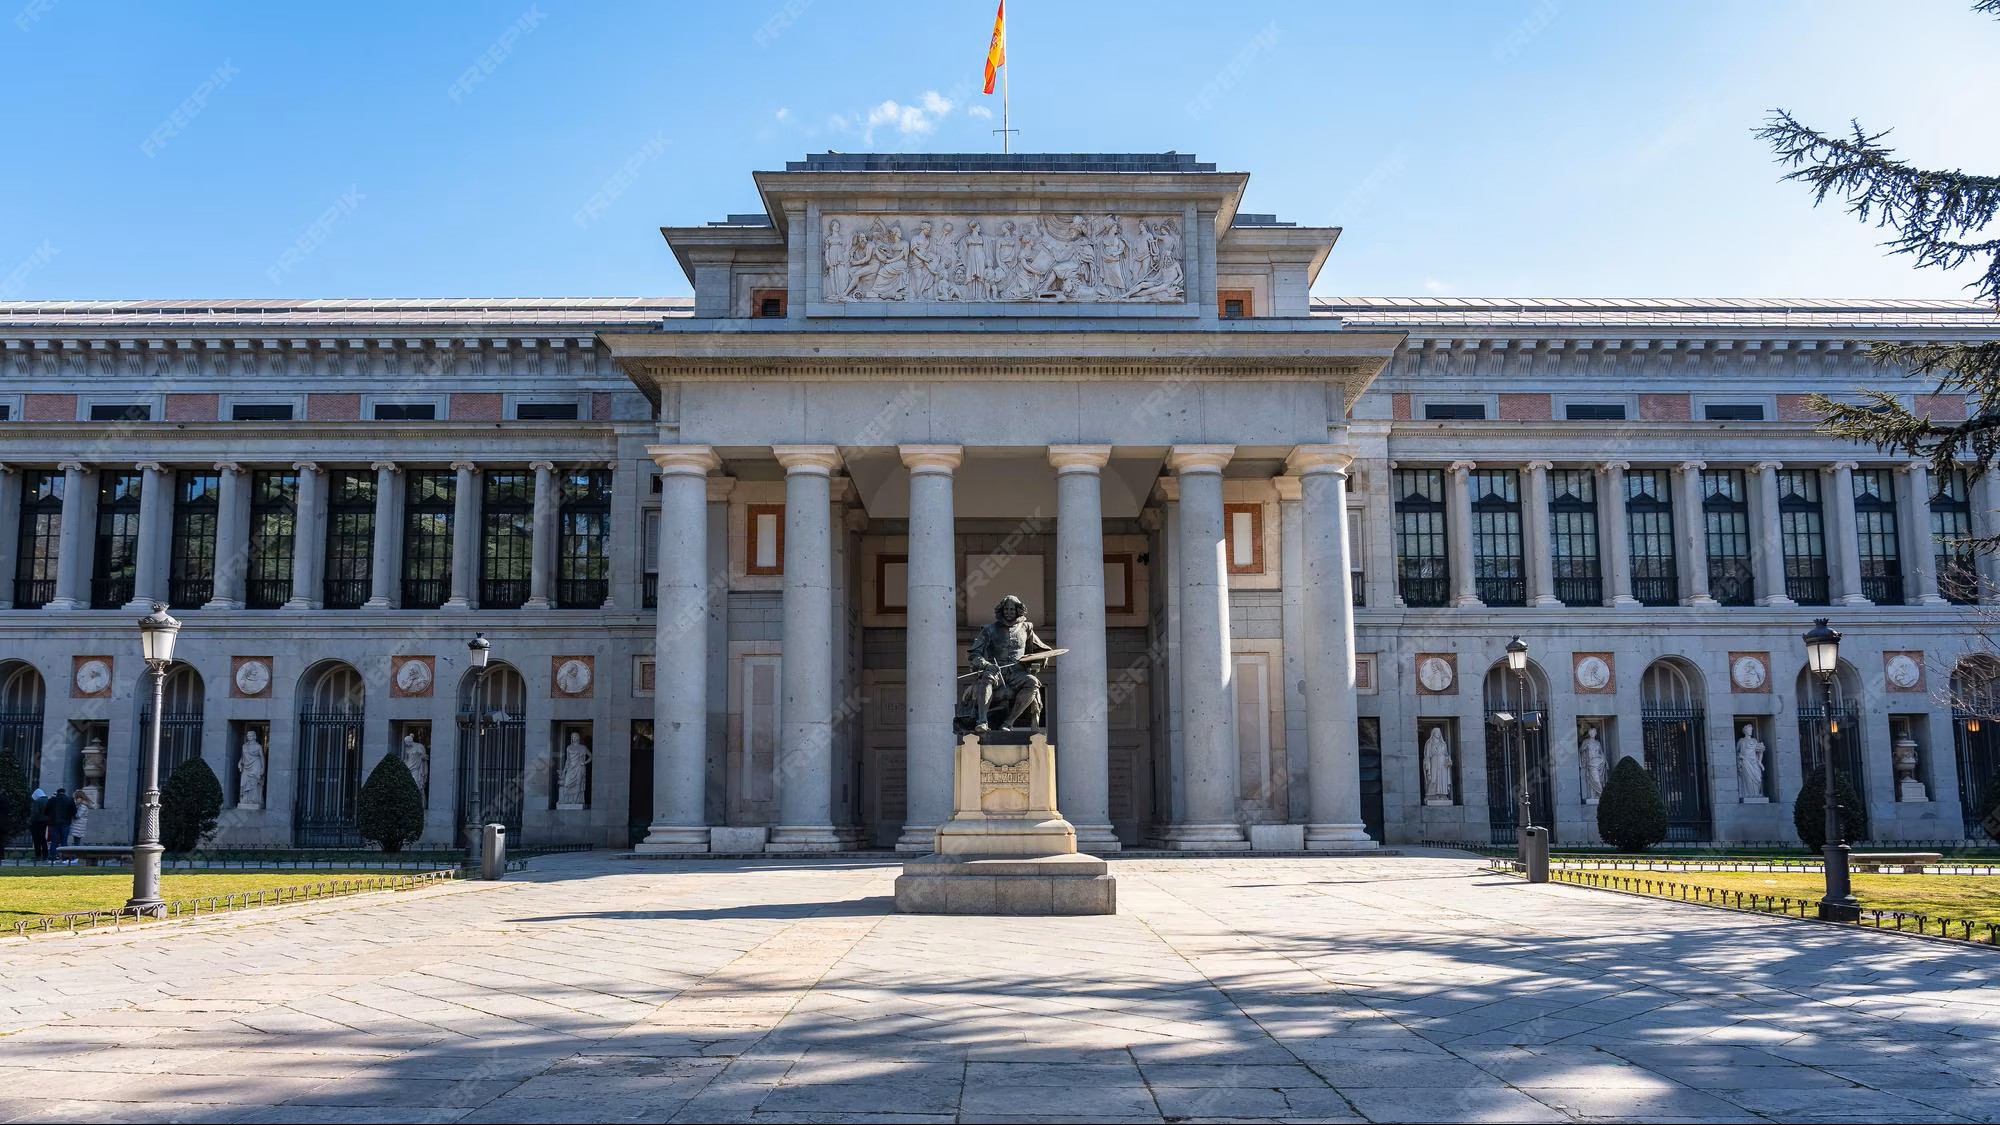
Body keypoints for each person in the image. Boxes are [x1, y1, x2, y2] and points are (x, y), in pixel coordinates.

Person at [47, 788, 74, 861]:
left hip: (54, 823)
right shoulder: (69, 799)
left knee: (54, 841)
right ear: (64, 792)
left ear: (57, 792)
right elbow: (74, 812)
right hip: (65, 823)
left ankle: (53, 858)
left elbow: (46, 811)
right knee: (64, 840)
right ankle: (65, 858)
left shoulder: (51, 800)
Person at [65, 791, 91, 861]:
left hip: (79, 825)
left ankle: (77, 857)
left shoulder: (82, 805)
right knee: (76, 841)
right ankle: (76, 857)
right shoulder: (82, 804)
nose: (75, 799)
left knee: (77, 842)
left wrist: (73, 813)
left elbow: (78, 815)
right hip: (78, 825)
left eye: (75, 797)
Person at [27, 786, 49, 863]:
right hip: (45, 821)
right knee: (43, 838)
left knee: (36, 839)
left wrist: (30, 821)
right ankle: (45, 855)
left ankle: (38, 855)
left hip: (37, 822)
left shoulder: (37, 801)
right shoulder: (47, 800)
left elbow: (35, 813)